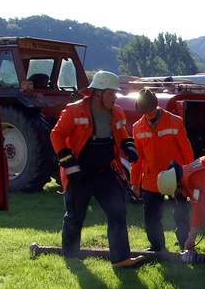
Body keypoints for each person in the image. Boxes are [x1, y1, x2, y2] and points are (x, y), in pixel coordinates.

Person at [50, 70, 145, 268]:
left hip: (106, 171)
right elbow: (57, 135)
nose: (115, 97)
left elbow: (121, 133)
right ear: (98, 93)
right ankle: (71, 257)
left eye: (116, 93)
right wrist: (68, 162)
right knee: (75, 216)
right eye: (112, 93)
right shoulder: (74, 110)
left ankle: (121, 259)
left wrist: (129, 146)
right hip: (79, 174)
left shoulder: (117, 111)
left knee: (117, 212)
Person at [130, 88, 194, 252]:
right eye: (145, 112)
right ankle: (157, 248)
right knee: (151, 216)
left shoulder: (175, 121)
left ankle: (185, 245)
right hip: (151, 180)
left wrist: (189, 175)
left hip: (176, 177)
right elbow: (136, 160)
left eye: (150, 111)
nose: (148, 115)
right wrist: (135, 183)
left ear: (156, 106)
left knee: (181, 214)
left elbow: (186, 151)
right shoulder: (137, 128)